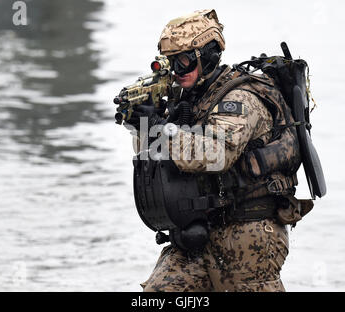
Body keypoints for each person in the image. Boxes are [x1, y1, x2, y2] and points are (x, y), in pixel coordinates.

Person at [123, 9, 313, 292]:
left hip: (250, 235)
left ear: (208, 55)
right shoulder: (191, 99)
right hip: (198, 231)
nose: (177, 72)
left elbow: (214, 154)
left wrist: (160, 128)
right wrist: (141, 124)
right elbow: (155, 161)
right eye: (171, 62)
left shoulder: (240, 98)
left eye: (184, 61)